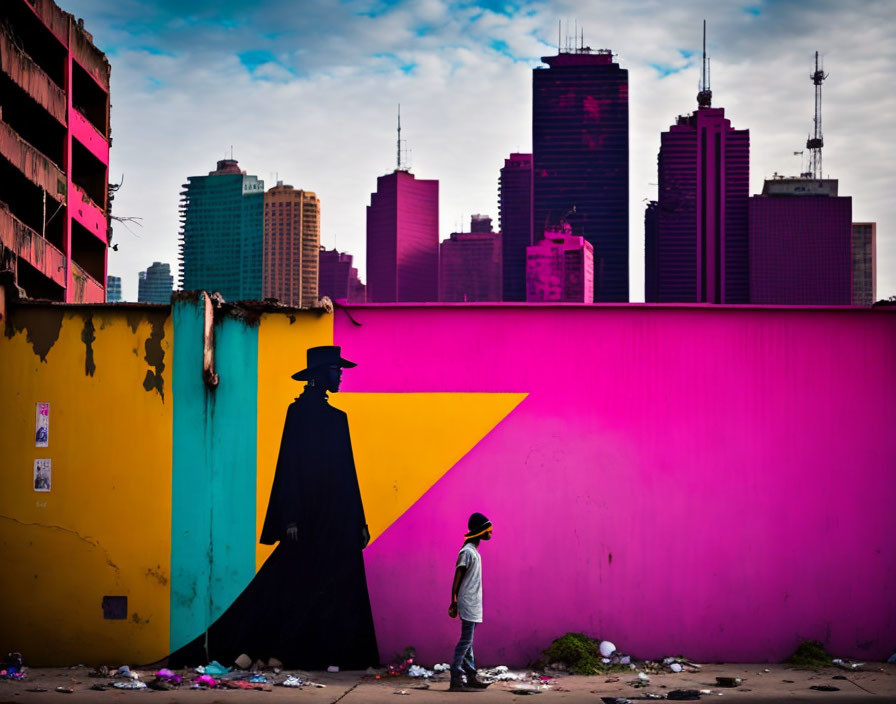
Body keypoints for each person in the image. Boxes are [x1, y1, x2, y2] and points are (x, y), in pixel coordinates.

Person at [167, 345, 378, 669]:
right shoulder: (298, 415)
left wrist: (358, 523)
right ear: (321, 375)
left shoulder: (339, 420)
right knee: (285, 587)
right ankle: (261, 650)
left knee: (319, 587)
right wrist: (290, 518)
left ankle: (286, 653)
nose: (340, 376)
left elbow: (347, 475)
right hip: (307, 523)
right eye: (335, 371)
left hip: (332, 523)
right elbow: (288, 467)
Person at [448, 512, 493, 691]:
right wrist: (453, 601)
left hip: (474, 602)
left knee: (469, 641)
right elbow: (457, 578)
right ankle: (456, 677)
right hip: (468, 602)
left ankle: (471, 675)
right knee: (466, 641)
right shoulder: (466, 552)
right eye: (488, 529)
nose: (491, 532)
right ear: (480, 531)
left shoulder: (473, 552)